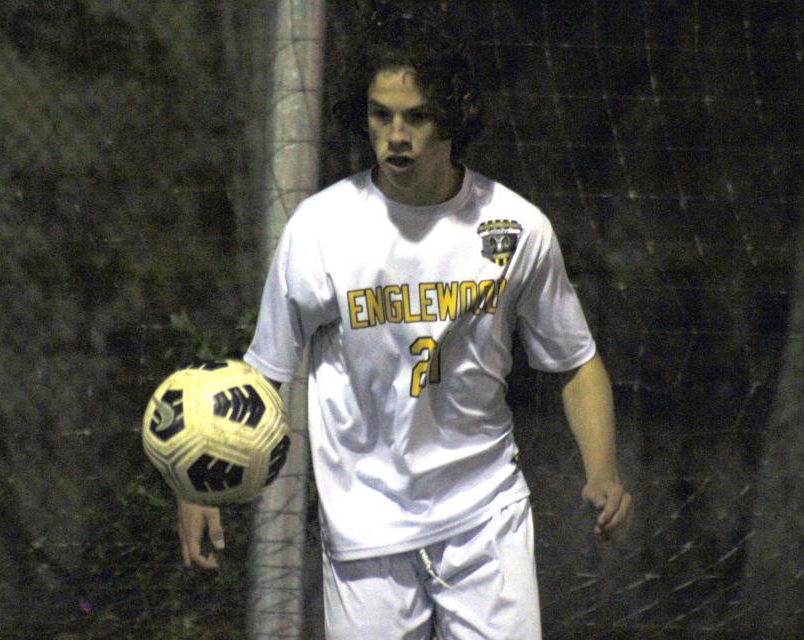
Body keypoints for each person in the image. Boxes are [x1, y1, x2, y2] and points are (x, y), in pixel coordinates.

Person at [177, 5, 632, 638]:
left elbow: (576, 360)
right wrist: (201, 481)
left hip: (485, 514)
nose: (395, 135)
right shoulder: (320, 229)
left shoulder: (516, 227)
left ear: (453, 115)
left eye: (416, 116)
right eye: (380, 114)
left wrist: (602, 470)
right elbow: (264, 374)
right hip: (367, 528)